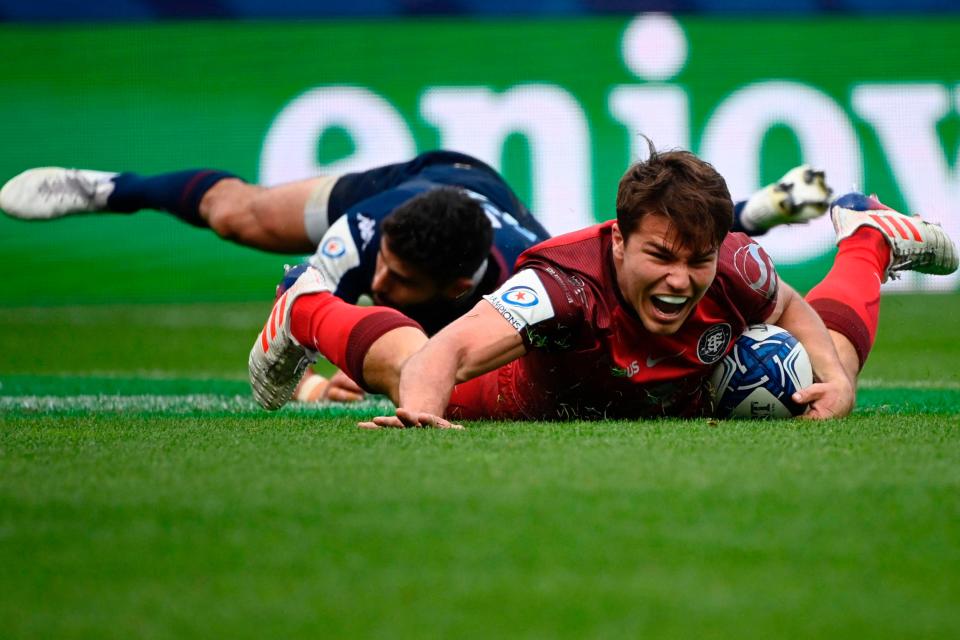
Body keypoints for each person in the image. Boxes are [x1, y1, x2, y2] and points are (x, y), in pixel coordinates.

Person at [2, 150, 830, 401]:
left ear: (453, 280)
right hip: (405, 190)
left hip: (479, 227)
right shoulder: (364, 242)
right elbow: (334, 301)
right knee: (241, 218)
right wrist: (313, 366)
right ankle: (113, 188)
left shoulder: (524, 268)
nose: (379, 286)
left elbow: (662, 255)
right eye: (380, 273)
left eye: (396, 283)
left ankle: (756, 208)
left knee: (450, 349)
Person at [246, 144, 958, 427]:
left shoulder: (738, 265)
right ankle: (304, 308)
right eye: (659, 257)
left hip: (679, 388)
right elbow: (453, 348)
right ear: (618, 242)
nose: (681, 281)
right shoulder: (564, 285)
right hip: (529, 396)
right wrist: (423, 412)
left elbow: (793, 308)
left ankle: (868, 238)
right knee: (409, 369)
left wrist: (839, 383)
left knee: (829, 358)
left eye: (697, 260)